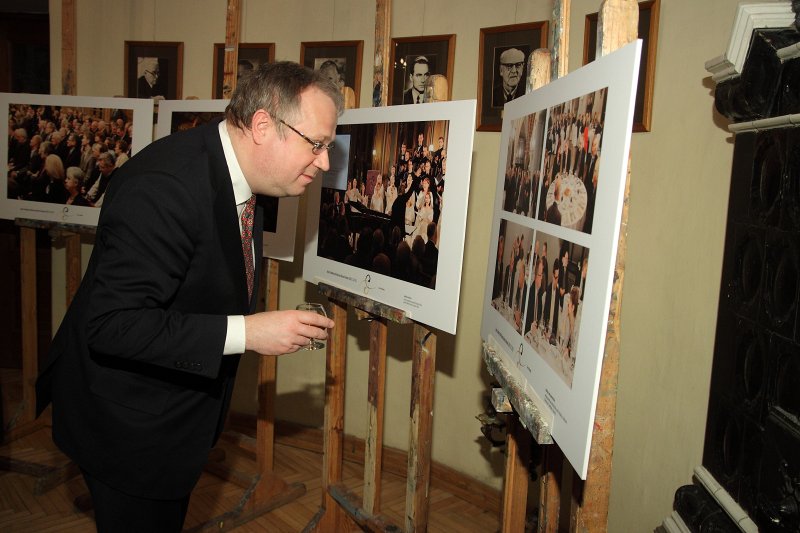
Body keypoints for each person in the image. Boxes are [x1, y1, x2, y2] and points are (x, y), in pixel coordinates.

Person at [35, 61, 343, 532]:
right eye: (316, 144)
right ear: (263, 125)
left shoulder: (242, 176)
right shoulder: (164, 188)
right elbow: (113, 324)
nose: (324, 161)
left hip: (173, 422)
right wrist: (249, 331)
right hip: (128, 430)